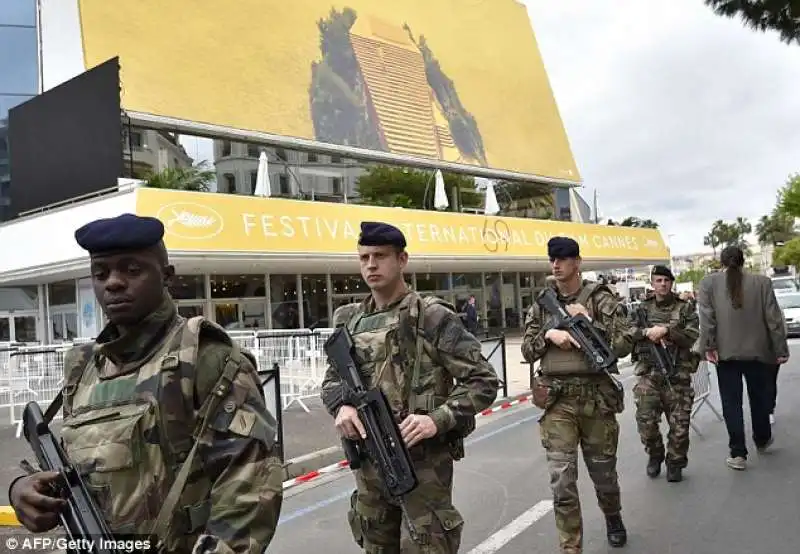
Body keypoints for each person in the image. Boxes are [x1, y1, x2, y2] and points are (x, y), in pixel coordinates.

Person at [8, 214, 284, 553]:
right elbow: (74, 466)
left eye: (132, 270)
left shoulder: (206, 357)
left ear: (167, 276)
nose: (113, 283)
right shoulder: (82, 367)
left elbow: (251, 485)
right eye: (101, 273)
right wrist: (22, 490)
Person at [320, 221, 499, 554]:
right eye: (364, 257)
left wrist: (438, 419)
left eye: (380, 256)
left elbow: (484, 380)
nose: (371, 265)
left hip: (423, 465)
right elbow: (332, 379)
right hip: (370, 462)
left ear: (402, 260)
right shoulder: (348, 319)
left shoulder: (430, 316)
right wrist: (340, 406)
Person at [522, 236, 634, 554]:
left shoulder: (600, 297)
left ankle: (612, 516)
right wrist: (549, 334)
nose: (556, 264)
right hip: (557, 401)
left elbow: (625, 341)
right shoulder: (543, 303)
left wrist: (589, 323)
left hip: (596, 399)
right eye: (552, 259)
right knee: (562, 479)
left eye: (563, 258)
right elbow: (528, 350)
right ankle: (570, 546)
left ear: (577, 262)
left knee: (604, 475)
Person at [697, 245, 789, 471]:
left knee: (731, 404)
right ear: (743, 260)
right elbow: (773, 320)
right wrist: (780, 349)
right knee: (759, 398)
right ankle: (762, 438)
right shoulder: (762, 283)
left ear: (721, 261)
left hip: (725, 355)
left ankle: (738, 453)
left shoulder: (709, 284)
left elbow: (707, 319)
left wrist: (708, 346)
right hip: (759, 352)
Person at [630, 266, 700, 483]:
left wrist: (668, 331)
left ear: (671, 283)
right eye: (658, 280)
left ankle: (675, 463)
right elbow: (626, 333)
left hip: (677, 375)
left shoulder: (685, 308)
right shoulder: (641, 309)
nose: (662, 284)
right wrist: (646, 332)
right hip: (649, 375)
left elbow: (692, 335)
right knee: (646, 423)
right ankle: (655, 454)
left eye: (666, 280)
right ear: (652, 283)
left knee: (680, 426)